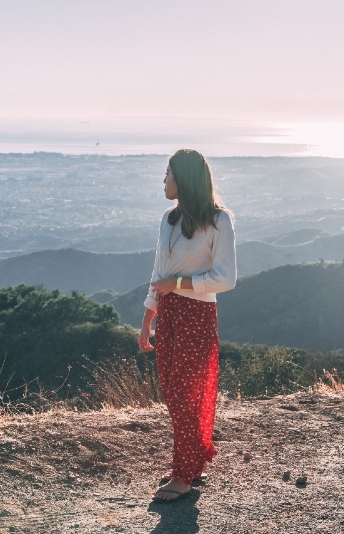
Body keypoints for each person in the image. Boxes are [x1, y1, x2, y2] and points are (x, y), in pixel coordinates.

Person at [138, 148, 237, 503]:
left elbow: (226, 279)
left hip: (196, 314)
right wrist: (147, 319)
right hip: (167, 313)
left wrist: (179, 286)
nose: (163, 181)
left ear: (184, 179)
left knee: (185, 395)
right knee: (173, 393)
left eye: (168, 175)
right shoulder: (168, 219)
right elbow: (157, 274)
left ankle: (183, 476)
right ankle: (190, 463)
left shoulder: (218, 221)